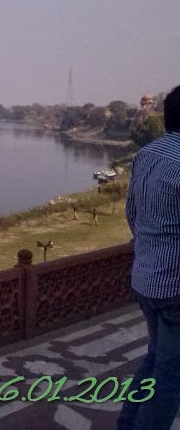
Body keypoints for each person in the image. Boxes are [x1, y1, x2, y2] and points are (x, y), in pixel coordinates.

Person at [117, 85, 180, 430]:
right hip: (176, 288)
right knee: (171, 378)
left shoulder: (148, 153)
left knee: (156, 359)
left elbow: (132, 214)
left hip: (146, 279)